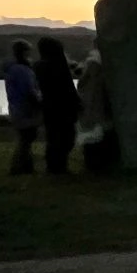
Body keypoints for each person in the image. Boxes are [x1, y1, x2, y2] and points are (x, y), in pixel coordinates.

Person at [34, 36, 80, 175]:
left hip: (49, 107)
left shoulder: (39, 66)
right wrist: (76, 102)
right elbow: (67, 86)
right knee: (66, 137)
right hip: (63, 107)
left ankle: (54, 166)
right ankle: (59, 167)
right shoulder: (58, 66)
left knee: (53, 137)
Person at [76, 47, 121, 174]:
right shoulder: (98, 77)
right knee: (97, 137)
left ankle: (95, 164)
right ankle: (98, 164)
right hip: (97, 113)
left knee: (93, 137)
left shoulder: (86, 80)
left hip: (91, 113)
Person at [2, 39, 42, 176]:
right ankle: (19, 168)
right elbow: (30, 91)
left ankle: (25, 167)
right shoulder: (22, 70)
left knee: (25, 139)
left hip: (16, 108)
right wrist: (39, 103)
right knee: (26, 139)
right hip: (25, 110)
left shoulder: (11, 70)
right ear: (24, 53)